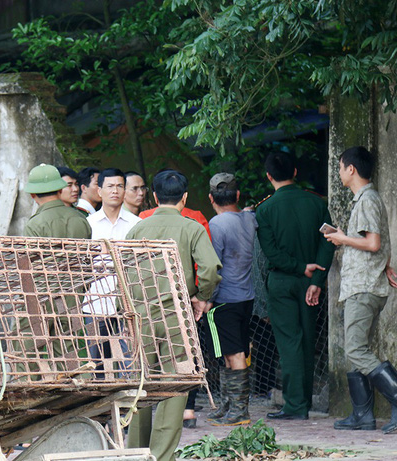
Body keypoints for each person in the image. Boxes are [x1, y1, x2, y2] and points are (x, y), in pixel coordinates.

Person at [125, 170, 222, 461]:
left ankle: (135, 451)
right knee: (175, 384)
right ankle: (161, 454)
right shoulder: (191, 227)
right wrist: (201, 299)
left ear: (154, 197)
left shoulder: (137, 228)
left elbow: (126, 269)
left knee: (142, 383)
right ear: (185, 198)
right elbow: (210, 270)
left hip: (142, 313)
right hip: (177, 314)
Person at [326, 146, 397, 433]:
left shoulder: (367, 200)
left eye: (340, 167)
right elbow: (380, 245)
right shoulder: (368, 200)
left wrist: (342, 239)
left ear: (351, 169)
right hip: (366, 284)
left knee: (355, 349)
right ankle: (362, 415)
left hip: (363, 286)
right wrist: (386, 265)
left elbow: (373, 243)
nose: (339, 172)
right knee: (357, 350)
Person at [255, 152, 335, 420]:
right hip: (311, 283)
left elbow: (272, 254)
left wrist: (299, 267)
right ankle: (304, 403)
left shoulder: (265, 209)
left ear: (269, 177)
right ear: (296, 172)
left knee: (290, 343)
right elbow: (328, 241)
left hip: (281, 281)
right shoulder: (316, 203)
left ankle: (295, 405)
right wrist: (316, 280)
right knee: (308, 339)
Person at [203, 173, 258, 426]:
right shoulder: (249, 219)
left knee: (233, 353)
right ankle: (229, 405)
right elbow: (248, 213)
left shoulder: (216, 224)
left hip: (224, 299)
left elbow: (213, 267)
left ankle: (239, 411)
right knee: (230, 352)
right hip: (246, 297)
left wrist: (207, 298)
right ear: (237, 195)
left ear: (211, 198)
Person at [83, 168, 141, 376]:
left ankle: (129, 408)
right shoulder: (88, 225)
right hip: (95, 303)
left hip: (128, 303)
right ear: (99, 191)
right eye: (109, 186)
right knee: (98, 362)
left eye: (119, 186)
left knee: (130, 362)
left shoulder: (137, 225)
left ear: (125, 191)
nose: (115, 191)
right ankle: (101, 409)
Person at [24, 164, 91, 239]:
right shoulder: (80, 217)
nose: (75, 189)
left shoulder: (34, 225)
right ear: (60, 190)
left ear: (32, 195)